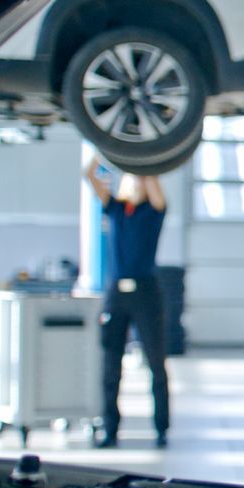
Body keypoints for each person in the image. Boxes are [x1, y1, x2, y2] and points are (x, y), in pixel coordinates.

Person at [83, 156, 172, 448]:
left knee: (156, 364)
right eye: (130, 176)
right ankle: (109, 429)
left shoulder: (153, 212)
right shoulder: (117, 210)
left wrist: (144, 161)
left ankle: (161, 429)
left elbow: (155, 188)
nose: (133, 180)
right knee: (110, 365)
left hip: (146, 293)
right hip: (116, 295)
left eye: (139, 177)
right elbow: (89, 174)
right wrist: (108, 149)